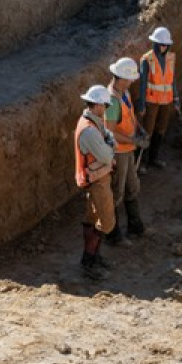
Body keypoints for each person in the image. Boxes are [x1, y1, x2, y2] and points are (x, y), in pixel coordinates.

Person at [73, 84, 117, 280]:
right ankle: (89, 262)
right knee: (106, 222)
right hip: (98, 180)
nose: (106, 109)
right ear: (97, 105)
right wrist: (110, 146)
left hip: (94, 177)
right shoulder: (90, 130)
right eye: (105, 105)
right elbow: (108, 155)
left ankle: (90, 259)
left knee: (92, 218)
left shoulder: (90, 122)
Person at [104, 57, 147, 245]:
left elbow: (129, 115)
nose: (131, 82)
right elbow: (110, 131)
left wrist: (140, 130)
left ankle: (135, 226)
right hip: (119, 152)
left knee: (132, 186)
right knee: (117, 192)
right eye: (130, 79)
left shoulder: (124, 93)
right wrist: (133, 140)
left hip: (128, 149)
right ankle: (112, 235)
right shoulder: (112, 101)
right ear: (121, 78)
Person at [136, 26, 179, 170]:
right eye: (161, 44)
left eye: (166, 45)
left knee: (160, 129)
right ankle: (141, 162)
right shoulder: (147, 59)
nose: (164, 47)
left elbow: (172, 80)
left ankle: (153, 159)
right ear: (155, 43)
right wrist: (141, 104)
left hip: (166, 101)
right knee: (147, 130)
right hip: (151, 101)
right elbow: (142, 84)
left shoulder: (170, 58)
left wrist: (176, 98)